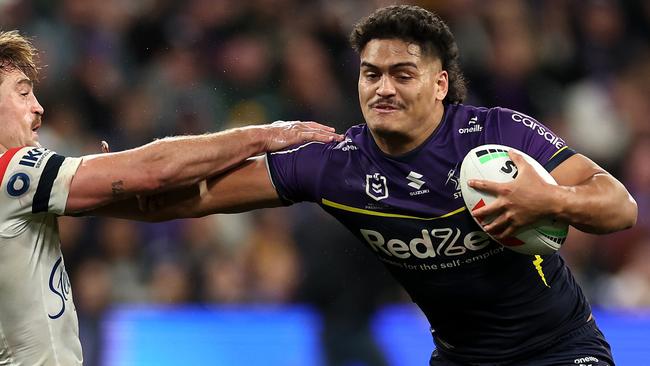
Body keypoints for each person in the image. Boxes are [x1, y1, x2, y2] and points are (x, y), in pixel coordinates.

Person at [100, 5, 638, 365]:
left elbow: (620, 206)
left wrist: (548, 199)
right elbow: (195, 200)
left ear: (439, 83)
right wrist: (112, 190)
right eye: (370, 73)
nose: (383, 88)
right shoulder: (335, 166)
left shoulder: (498, 133)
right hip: (460, 357)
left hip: (560, 347)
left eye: (402, 74)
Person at [0, 30, 342, 366]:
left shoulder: (21, 185)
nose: (38, 107)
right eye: (23, 93)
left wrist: (294, 174)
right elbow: (155, 169)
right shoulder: (11, 172)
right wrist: (263, 135)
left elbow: (155, 200)